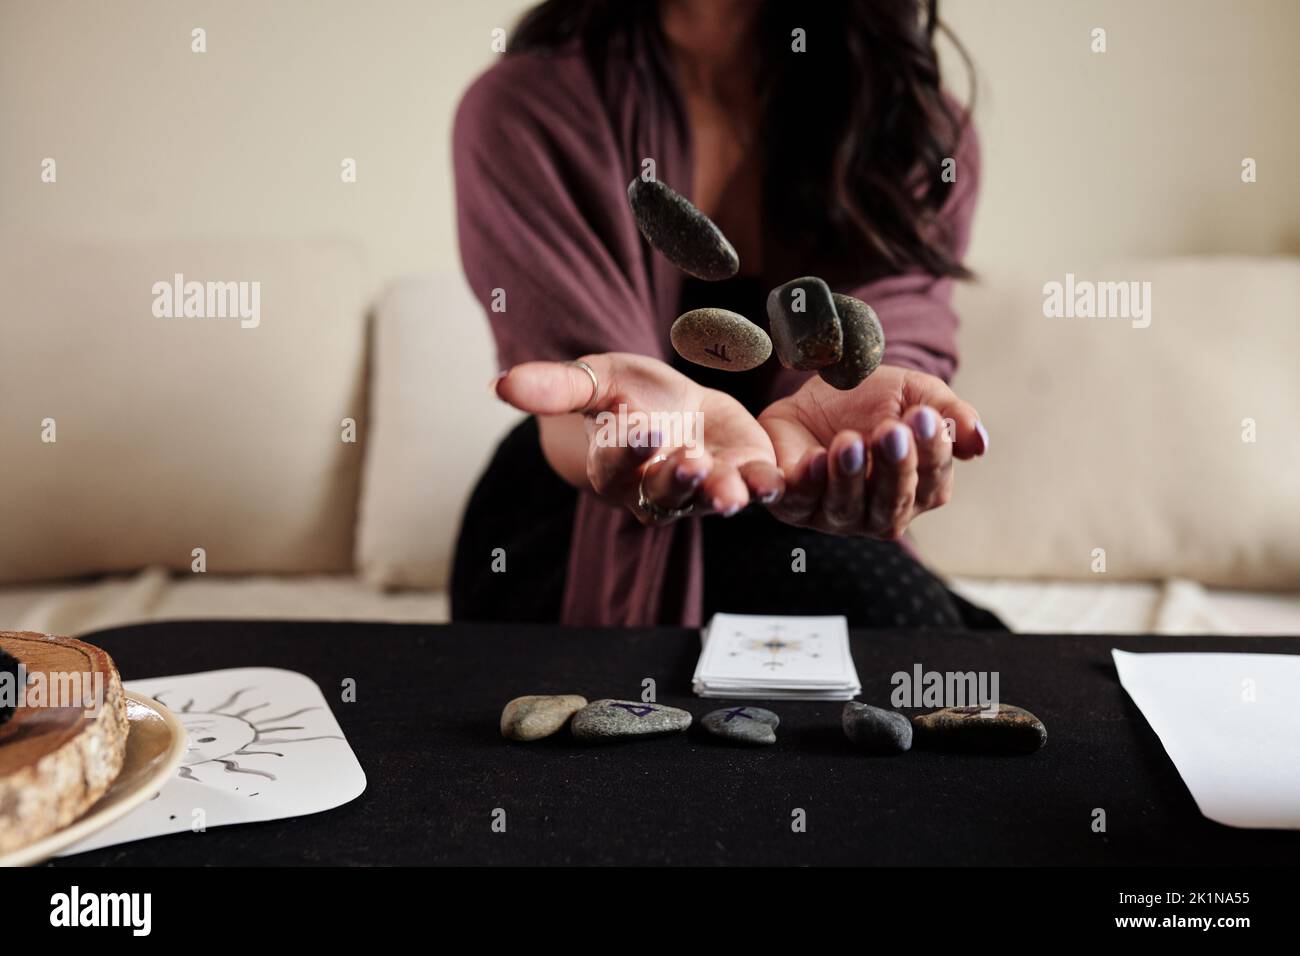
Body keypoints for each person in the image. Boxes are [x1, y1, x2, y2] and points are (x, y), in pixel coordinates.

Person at [451, 0, 1001, 630]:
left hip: (798, 484)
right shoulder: (524, 109)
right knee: (897, 623)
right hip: (575, 521)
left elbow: (894, 321)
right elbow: (581, 390)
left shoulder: (909, 125)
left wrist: (864, 405)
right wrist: (636, 429)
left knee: (955, 650)